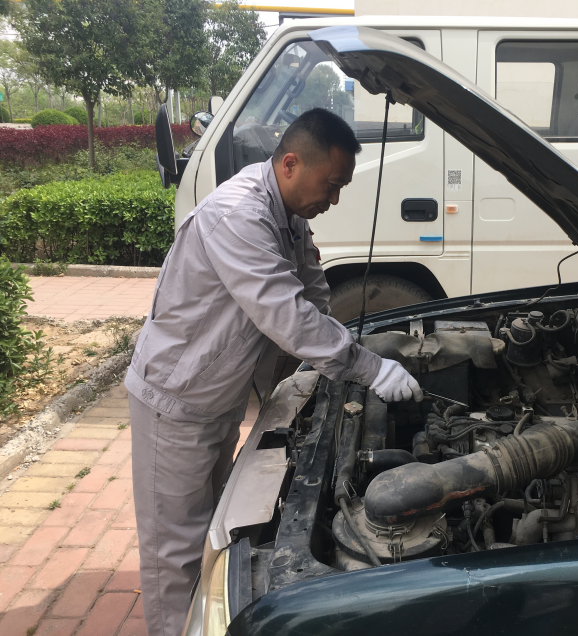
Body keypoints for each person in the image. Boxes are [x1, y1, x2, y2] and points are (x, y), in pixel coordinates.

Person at [125, 108, 423, 636]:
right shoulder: (239, 216)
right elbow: (286, 314)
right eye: (331, 185)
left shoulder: (288, 216)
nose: (334, 199)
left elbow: (313, 297)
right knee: (175, 553)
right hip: (175, 401)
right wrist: (369, 368)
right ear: (290, 164)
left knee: (209, 533)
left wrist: (338, 355)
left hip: (214, 398)